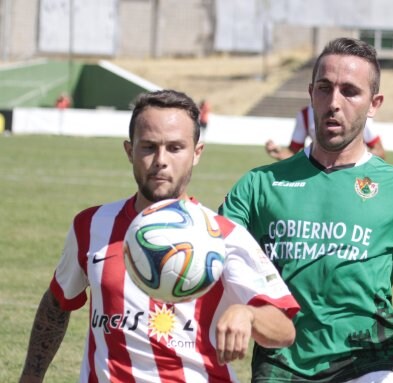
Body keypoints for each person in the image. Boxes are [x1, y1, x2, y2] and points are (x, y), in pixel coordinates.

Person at [219, 37, 393, 383]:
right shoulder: (259, 186)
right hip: (281, 366)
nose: (334, 103)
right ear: (311, 94)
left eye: (350, 92)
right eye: (324, 88)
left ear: (373, 103)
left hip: (369, 362)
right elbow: (207, 264)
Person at [19, 90, 300, 383]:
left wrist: (250, 315)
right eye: (149, 147)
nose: (160, 160)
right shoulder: (90, 226)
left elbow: (284, 329)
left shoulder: (224, 235)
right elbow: (57, 302)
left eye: (175, 147)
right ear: (130, 151)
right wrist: (30, 376)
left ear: (197, 153)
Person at [265, 104, 386, 160]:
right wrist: (279, 153)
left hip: (354, 176)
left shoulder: (359, 113)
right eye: (324, 87)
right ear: (312, 90)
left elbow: (379, 151)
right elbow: (293, 152)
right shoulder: (305, 115)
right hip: (318, 174)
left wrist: (356, 161)